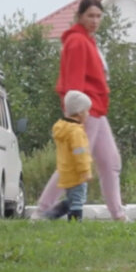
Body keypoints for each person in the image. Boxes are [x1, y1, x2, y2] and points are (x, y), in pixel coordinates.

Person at [34, 0, 129, 222]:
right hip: (86, 110)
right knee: (73, 162)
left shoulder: (88, 40)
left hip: (96, 109)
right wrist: (77, 115)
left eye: (98, 16)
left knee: (110, 161)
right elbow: (74, 83)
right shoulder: (77, 42)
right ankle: (41, 211)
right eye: (90, 16)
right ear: (79, 16)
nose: (95, 20)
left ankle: (119, 214)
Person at [45, 91, 93, 221]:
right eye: (87, 111)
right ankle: (74, 222)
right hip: (77, 173)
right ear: (79, 113)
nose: (88, 114)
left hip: (66, 171)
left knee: (72, 198)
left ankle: (52, 214)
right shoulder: (76, 131)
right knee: (78, 200)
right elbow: (80, 153)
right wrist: (85, 171)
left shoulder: (62, 128)